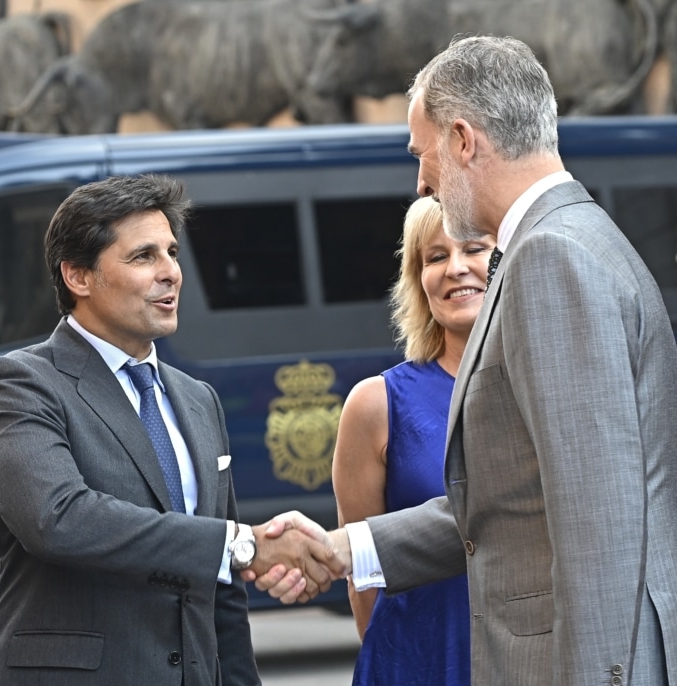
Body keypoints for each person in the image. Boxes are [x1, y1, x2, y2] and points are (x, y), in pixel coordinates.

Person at [247, 35, 677, 685]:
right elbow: (511, 505)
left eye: (423, 155)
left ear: (463, 139)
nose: (421, 181)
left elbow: (599, 525)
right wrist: (341, 549)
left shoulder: (550, 256)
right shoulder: (573, 238)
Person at [0, 173, 333, 686]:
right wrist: (239, 544)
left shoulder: (197, 400)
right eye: (144, 257)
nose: (172, 274)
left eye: (173, 252)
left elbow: (221, 595)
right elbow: (59, 519)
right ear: (78, 276)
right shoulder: (17, 384)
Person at [334, 196, 493, 685]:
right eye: (436, 257)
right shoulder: (376, 403)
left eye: (474, 249)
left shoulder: (549, 389)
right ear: (417, 279)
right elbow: (361, 571)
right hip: (413, 661)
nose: (456, 269)